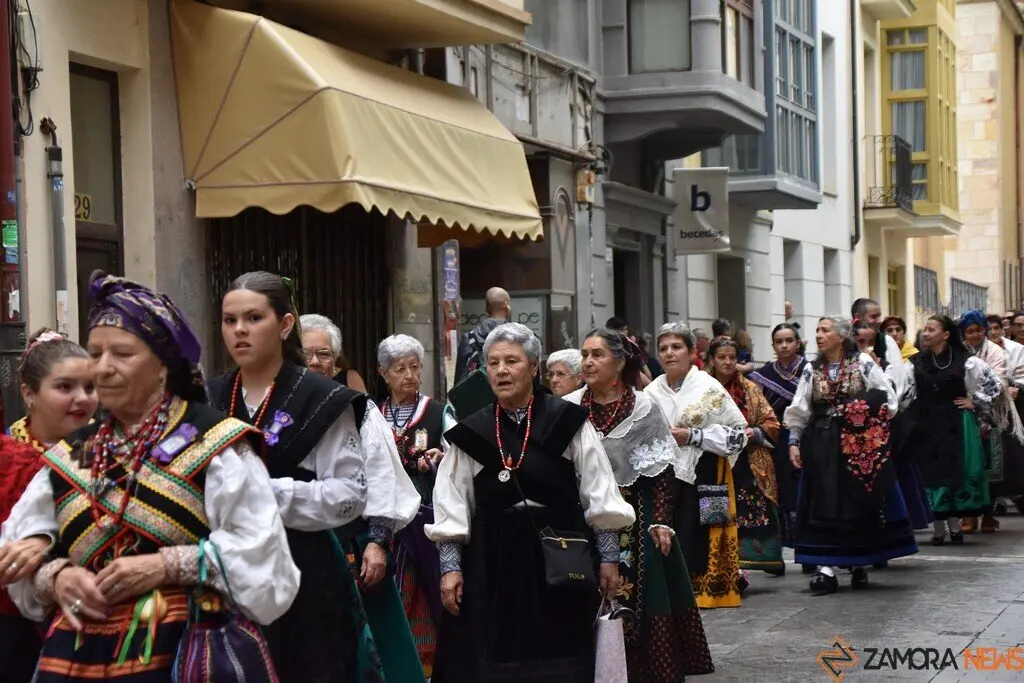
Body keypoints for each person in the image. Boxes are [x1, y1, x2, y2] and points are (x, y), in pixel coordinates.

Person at [0, 273, 299, 681]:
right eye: (96, 354)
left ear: (162, 365)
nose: (102, 369)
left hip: (184, 654)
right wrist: (57, 574)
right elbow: (15, 545)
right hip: (77, 656)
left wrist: (166, 565)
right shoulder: (76, 452)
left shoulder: (213, 443)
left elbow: (265, 558)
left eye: (122, 354)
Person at [210, 272, 421, 683]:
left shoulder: (322, 399)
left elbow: (350, 493)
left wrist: (263, 494)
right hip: (225, 569)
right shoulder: (211, 396)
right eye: (229, 319)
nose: (239, 330)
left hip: (304, 568)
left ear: (285, 324)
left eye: (253, 318)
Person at [426, 322, 634, 682]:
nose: (501, 371)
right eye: (493, 363)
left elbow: (598, 489)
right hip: (491, 562)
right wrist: (450, 567)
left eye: (512, 361)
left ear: (534, 366)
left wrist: (609, 558)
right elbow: (452, 501)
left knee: (562, 659)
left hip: (559, 555)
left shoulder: (567, 421)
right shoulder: (470, 433)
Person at [564, 329, 714, 681]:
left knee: (638, 591)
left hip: (634, 512)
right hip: (581, 513)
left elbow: (663, 472)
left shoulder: (644, 408)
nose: (587, 361)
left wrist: (661, 521)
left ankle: (641, 668)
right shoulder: (569, 407)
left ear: (619, 363)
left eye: (597, 354)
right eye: (584, 354)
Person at [784, 316, 918, 594]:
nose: (819, 336)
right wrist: (795, 442)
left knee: (856, 502)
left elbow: (887, 399)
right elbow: (800, 408)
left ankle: (859, 564)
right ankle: (825, 568)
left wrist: (860, 414)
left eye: (825, 331)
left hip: (857, 445)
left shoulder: (863, 363)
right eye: (818, 331)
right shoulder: (812, 369)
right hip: (821, 444)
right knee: (824, 502)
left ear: (841, 337)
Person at [0, 330, 99, 682]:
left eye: (89, 387)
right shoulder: (8, 457)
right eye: (65, 387)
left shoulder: (103, 453)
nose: (82, 399)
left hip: (86, 625)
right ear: (29, 394)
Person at [644, 322, 748, 609]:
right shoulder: (651, 392)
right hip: (664, 475)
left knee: (702, 532)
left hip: (704, 472)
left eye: (676, 347)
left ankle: (706, 592)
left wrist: (693, 435)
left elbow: (738, 436)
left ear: (691, 352)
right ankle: (674, 593)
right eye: (663, 348)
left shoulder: (708, 387)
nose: (669, 353)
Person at [377, 334, 456, 678]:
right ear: (384, 374)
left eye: (415, 367)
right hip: (386, 523)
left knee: (423, 594)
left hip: (423, 521)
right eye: (400, 369)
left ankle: (426, 669)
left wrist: (442, 456)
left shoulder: (439, 412)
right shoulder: (373, 414)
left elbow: (458, 455)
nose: (409, 375)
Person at [904, 315, 1004, 545]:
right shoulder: (915, 362)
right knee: (931, 472)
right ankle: (939, 529)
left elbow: (994, 384)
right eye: (925, 330)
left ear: (946, 334)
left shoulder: (966, 360)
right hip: (926, 423)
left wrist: (975, 402)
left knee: (954, 470)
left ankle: (955, 526)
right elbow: (904, 393)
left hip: (956, 422)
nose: (926, 333)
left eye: (931, 329)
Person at [707, 337, 784, 578]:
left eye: (732, 358)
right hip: (713, 461)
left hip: (747, 461)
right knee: (715, 512)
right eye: (722, 357)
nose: (728, 362)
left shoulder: (749, 388)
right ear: (711, 360)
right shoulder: (701, 389)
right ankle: (720, 566)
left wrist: (755, 431)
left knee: (748, 509)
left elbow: (772, 421)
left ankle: (750, 563)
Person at [748, 323, 811, 572]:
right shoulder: (763, 374)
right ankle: (777, 555)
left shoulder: (809, 370)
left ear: (798, 343)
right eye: (778, 341)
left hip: (807, 438)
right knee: (780, 495)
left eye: (788, 340)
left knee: (805, 494)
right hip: (776, 441)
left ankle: (809, 551)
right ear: (773, 345)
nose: (784, 345)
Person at [454, 286, 511, 385]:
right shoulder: (518, 337)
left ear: (485, 307)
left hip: (478, 396)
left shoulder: (469, 338)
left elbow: (460, 380)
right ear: (506, 305)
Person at [300, 313, 368, 392]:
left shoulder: (349, 398)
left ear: (335, 358)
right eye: (305, 354)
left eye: (324, 354)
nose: (315, 362)